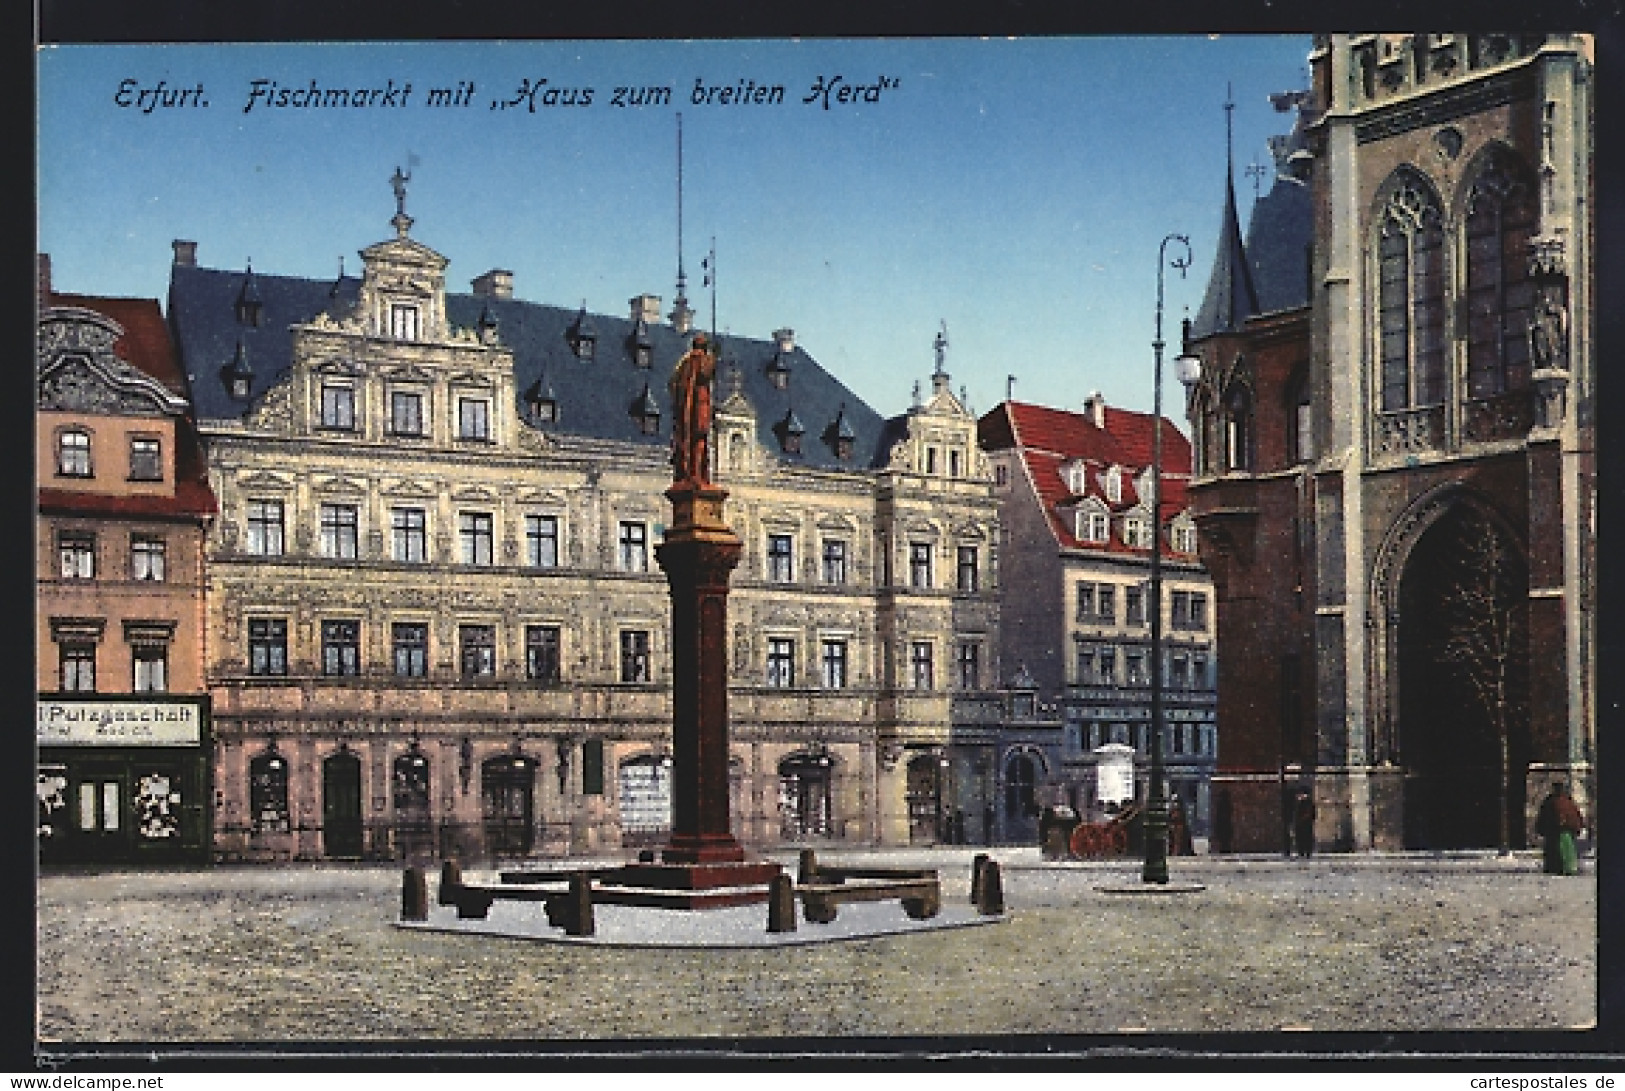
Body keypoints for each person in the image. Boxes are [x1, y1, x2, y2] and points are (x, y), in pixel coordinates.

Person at [668, 334, 715, 487]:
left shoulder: (684, 363)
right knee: (699, 439)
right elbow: (705, 373)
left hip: (688, 408)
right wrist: (713, 359)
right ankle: (697, 473)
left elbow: (675, 386)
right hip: (699, 404)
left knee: (694, 440)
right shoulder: (698, 360)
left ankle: (693, 472)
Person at [1537, 783, 1585, 876]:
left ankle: (1560, 867)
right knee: (1563, 850)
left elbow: (1543, 815)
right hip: (1560, 830)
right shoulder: (1566, 800)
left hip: (1558, 830)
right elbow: (1575, 815)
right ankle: (1564, 867)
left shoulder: (1552, 801)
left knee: (1560, 850)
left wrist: (1541, 827)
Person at [1292, 788, 1316, 858]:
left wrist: (1302, 819)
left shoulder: (1307, 802)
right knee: (1301, 838)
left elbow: (1310, 813)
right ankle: (1302, 851)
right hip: (1301, 824)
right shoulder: (1299, 802)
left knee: (1305, 838)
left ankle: (1306, 851)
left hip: (1305, 824)